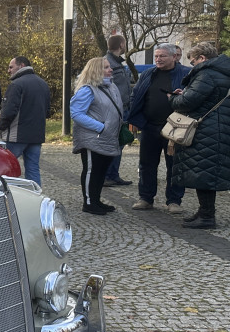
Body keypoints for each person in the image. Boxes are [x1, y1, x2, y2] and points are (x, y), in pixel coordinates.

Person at [168, 42, 230, 229]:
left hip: (206, 131)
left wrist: (174, 99)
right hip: (218, 128)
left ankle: (207, 216)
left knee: (202, 173)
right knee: (205, 172)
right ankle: (203, 212)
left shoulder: (207, 74)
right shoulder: (221, 72)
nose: (192, 64)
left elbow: (188, 101)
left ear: (202, 58)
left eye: (193, 61)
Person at [126, 43, 190, 213]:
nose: (158, 59)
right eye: (156, 56)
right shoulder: (148, 74)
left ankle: (174, 201)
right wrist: (139, 118)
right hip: (150, 126)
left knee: (175, 165)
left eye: (162, 56)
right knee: (147, 164)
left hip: (175, 128)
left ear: (174, 57)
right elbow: (136, 95)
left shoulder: (185, 74)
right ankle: (146, 198)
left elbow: (193, 97)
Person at [70, 56, 122, 215]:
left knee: (101, 171)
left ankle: (96, 199)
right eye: (106, 67)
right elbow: (76, 113)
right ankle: (89, 202)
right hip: (93, 137)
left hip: (107, 137)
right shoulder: (87, 89)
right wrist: (100, 127)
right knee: (92, 170)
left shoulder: (110, 87)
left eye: (109, 67)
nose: (110, 69)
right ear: (96, 70)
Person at [0, 56, 50, 185]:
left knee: (7, 168)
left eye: (11, 67)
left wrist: (1, 126)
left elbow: (9, 111)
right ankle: (35, 197)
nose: (9, 70)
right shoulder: (43, 84)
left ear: (21, 66)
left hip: (16, 136)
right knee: (33, 169)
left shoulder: (16, 84)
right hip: (36, 136)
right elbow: (47, 111)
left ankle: (7, 197)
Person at [103, 33, 134, 187]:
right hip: (115, 109)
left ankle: (113, 174)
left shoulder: (117, 63)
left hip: (123, 108)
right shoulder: (107, 63)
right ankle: (107, 175)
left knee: (119, 143)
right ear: (122, 45)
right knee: (113, 143)